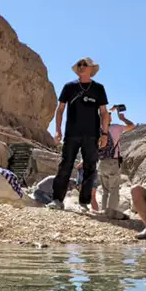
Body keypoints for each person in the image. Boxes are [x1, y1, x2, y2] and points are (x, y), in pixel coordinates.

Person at [48, 57, 110, 212]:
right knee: (65, 165)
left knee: (90, 168)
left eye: (85, 65)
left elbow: (103, 113)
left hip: (92, 135)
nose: (81, 67)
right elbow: (60, 109)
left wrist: (105, 134)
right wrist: (57, 130)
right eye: (79, 65)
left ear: (91, 69)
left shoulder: (99, 89)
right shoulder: (69, 87)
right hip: (71, 134)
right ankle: (57, 200)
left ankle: (84, 203)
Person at [97, 105, 137, 220]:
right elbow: (132, 126)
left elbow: (104, 114)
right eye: (110, 116)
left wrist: (111, 110)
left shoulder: (97, 130)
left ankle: (104, 211)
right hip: (113, 162)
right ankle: (112, 212)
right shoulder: (115, 128)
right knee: (114, 189)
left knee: (105, 190)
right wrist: (122, 118)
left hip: (101, 162)